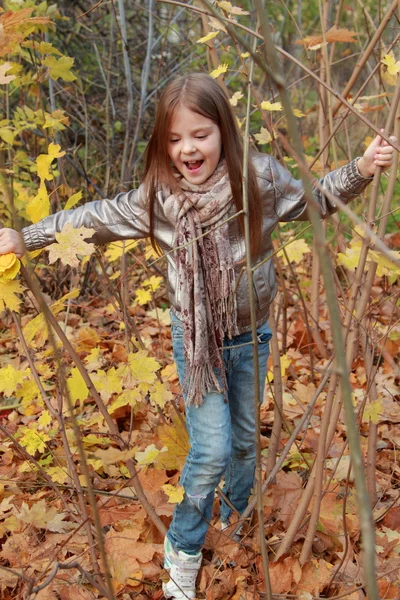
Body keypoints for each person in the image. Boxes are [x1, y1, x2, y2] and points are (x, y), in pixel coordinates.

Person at [0, 73, 396, 599]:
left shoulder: (258, 180)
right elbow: (94, 218)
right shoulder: (158, 198)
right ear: (163, 144)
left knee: (243, 447)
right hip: (197, 341)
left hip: (251, 335)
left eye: (200, 134)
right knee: (210, 449)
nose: (188, 148)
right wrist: (26, 237)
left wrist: (364, 168)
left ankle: (232, 521)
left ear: (224, 133)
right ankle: (184, 546)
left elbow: (316, 200)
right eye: (174, 138)